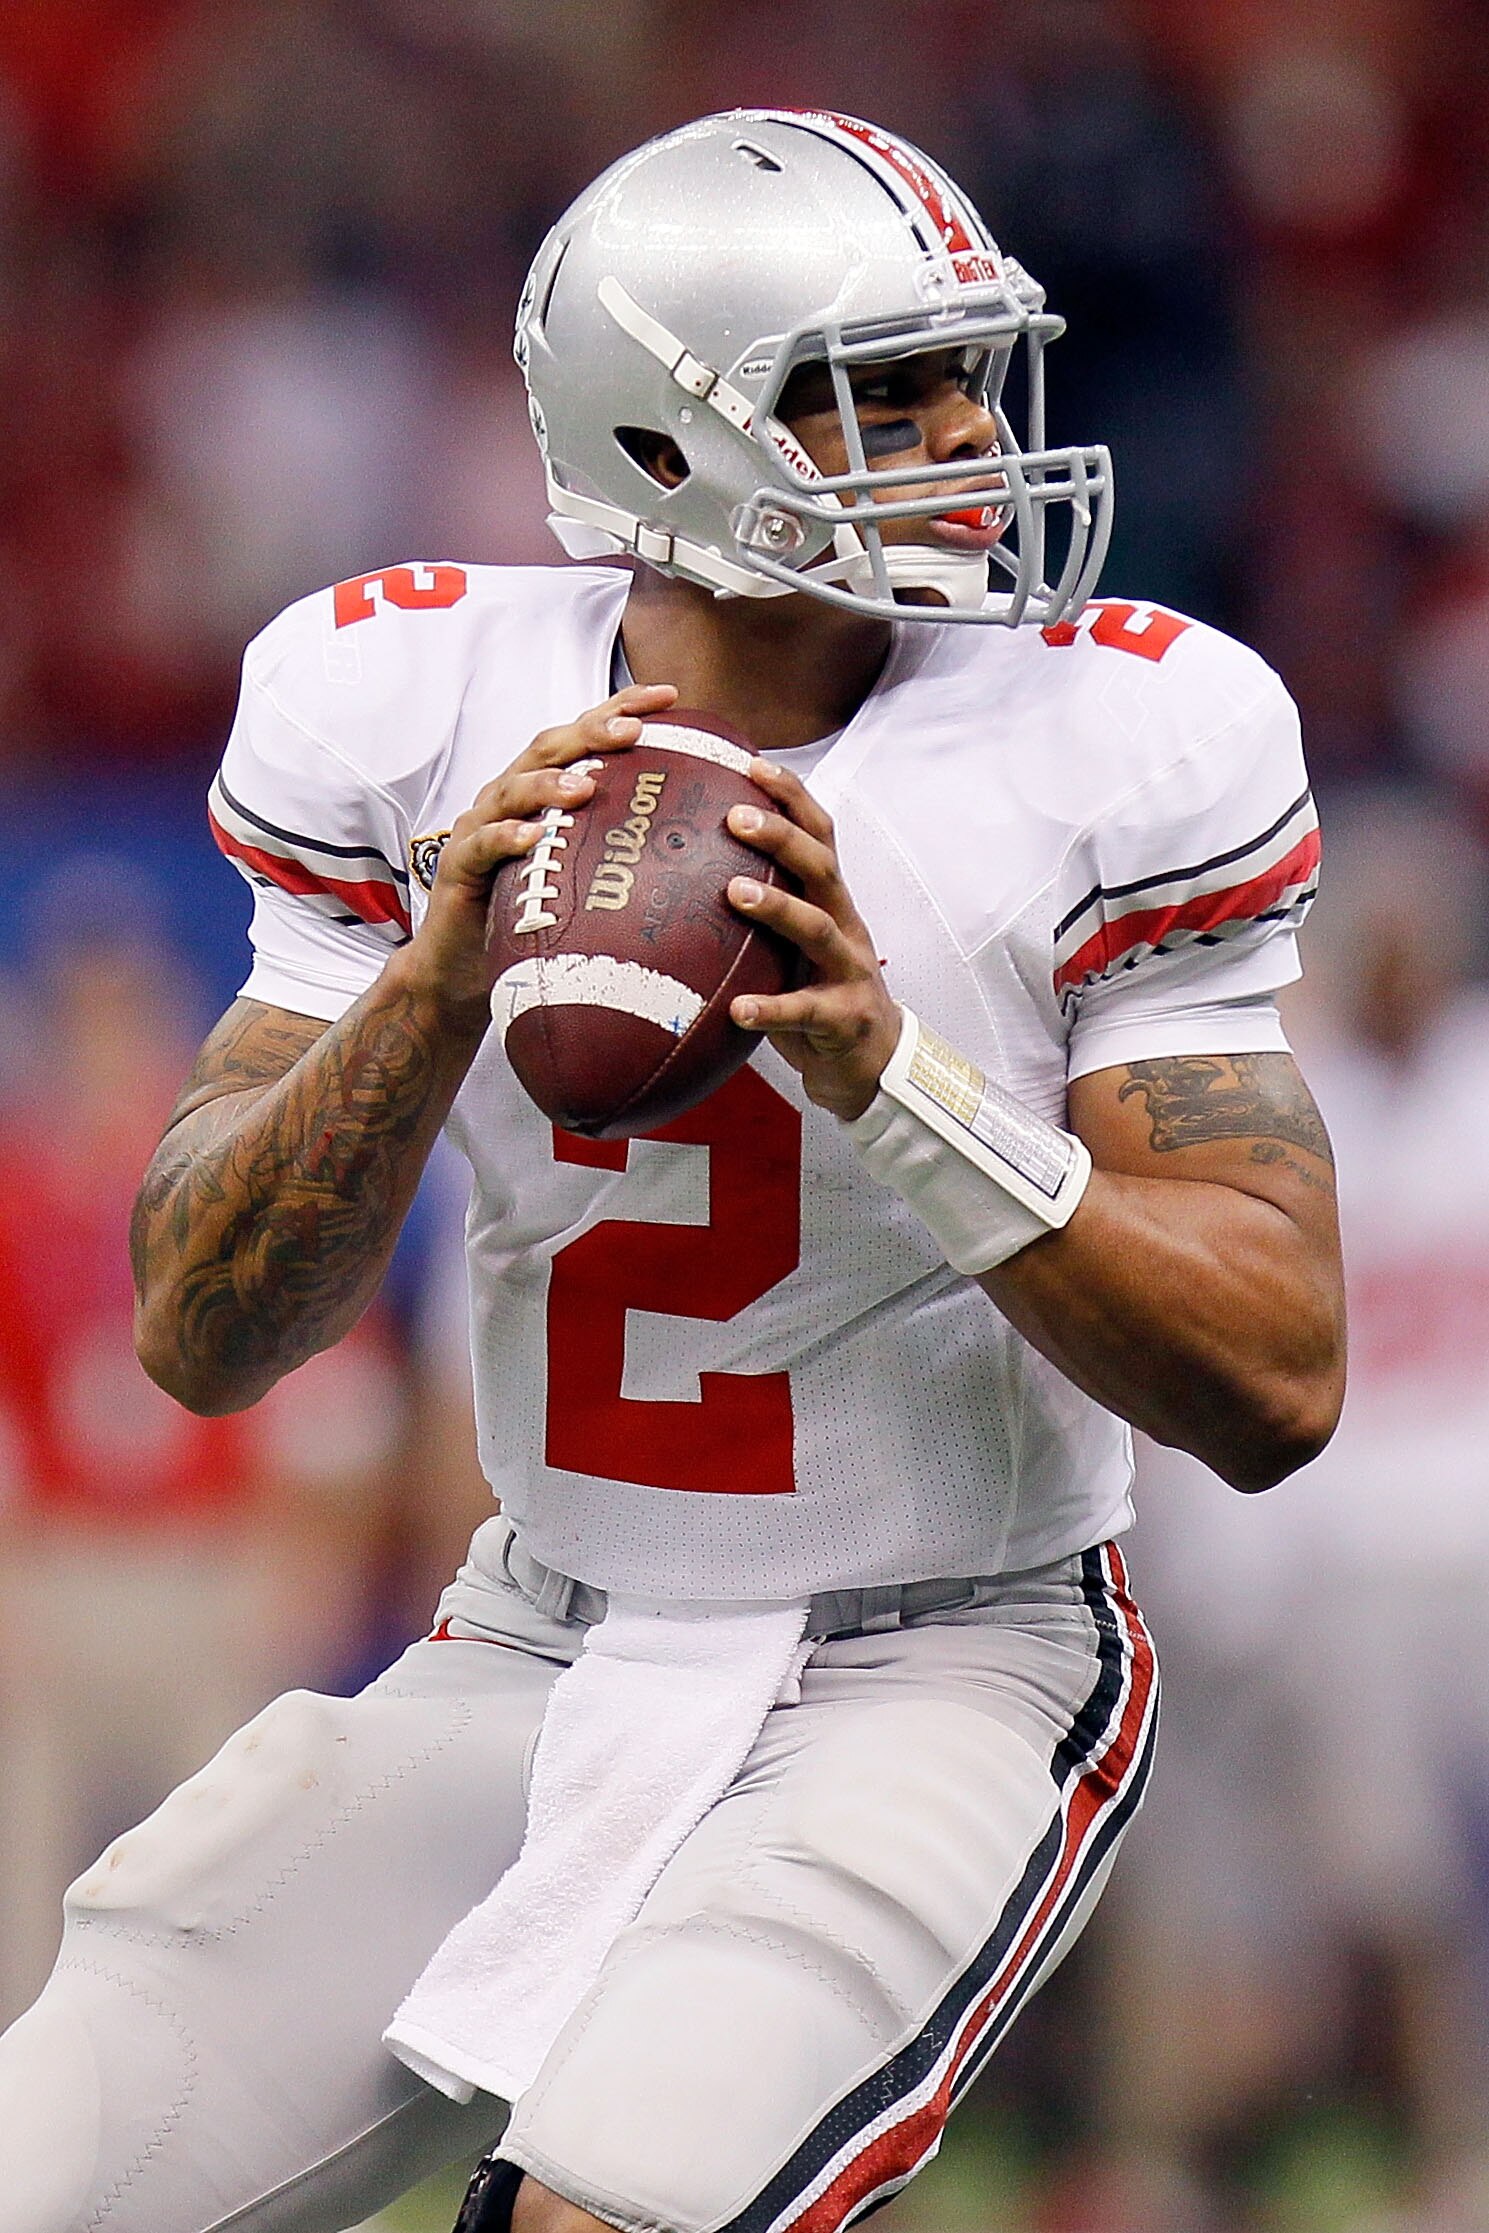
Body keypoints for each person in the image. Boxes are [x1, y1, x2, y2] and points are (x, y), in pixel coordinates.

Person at [0, 110, 1345, 2233]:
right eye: (876, 393)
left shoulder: (1117, 737)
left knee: (600, 2217)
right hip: (534, 1646)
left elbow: (1273, 1377)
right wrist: (430, 988)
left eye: (967, 372)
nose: (965, 436)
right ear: (660, 446)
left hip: (946, 1657)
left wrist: (894, 1072)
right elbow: (203, 1329)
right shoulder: (413, 700)